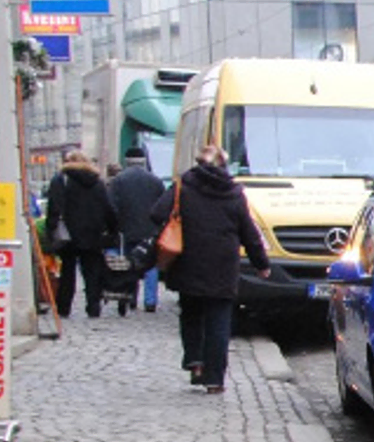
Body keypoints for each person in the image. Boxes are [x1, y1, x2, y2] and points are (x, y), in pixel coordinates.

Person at [154, 144, 270, 394]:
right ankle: (215, 379)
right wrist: (262, 264)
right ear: (224, 164)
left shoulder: (183, 185)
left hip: (189, 260)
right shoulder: (234, 192)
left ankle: (195, 359)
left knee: (191, 312)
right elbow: (248, 232)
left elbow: (157, 212)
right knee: (219, 320)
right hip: (222, 265)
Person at [40, 151, 118, 320]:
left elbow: (54, 207)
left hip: (68, 234)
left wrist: (51, 230)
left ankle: (64, 307)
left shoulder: (61, 180)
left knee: (67, 271)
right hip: (93, 233)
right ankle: (93, 306)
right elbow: (107, 207)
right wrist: (112, 229)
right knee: (92, 272)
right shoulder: (97, 182)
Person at [106, 151, 168, 312]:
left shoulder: (118, 181)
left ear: (127, 162)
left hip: (126, 229)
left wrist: (115, 226)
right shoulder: (155, 181)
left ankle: (130, 296)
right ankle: (150, 301)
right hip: (150, 229)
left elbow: (111, 206)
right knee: (150, 265)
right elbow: (163, 206)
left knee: (128, 263)